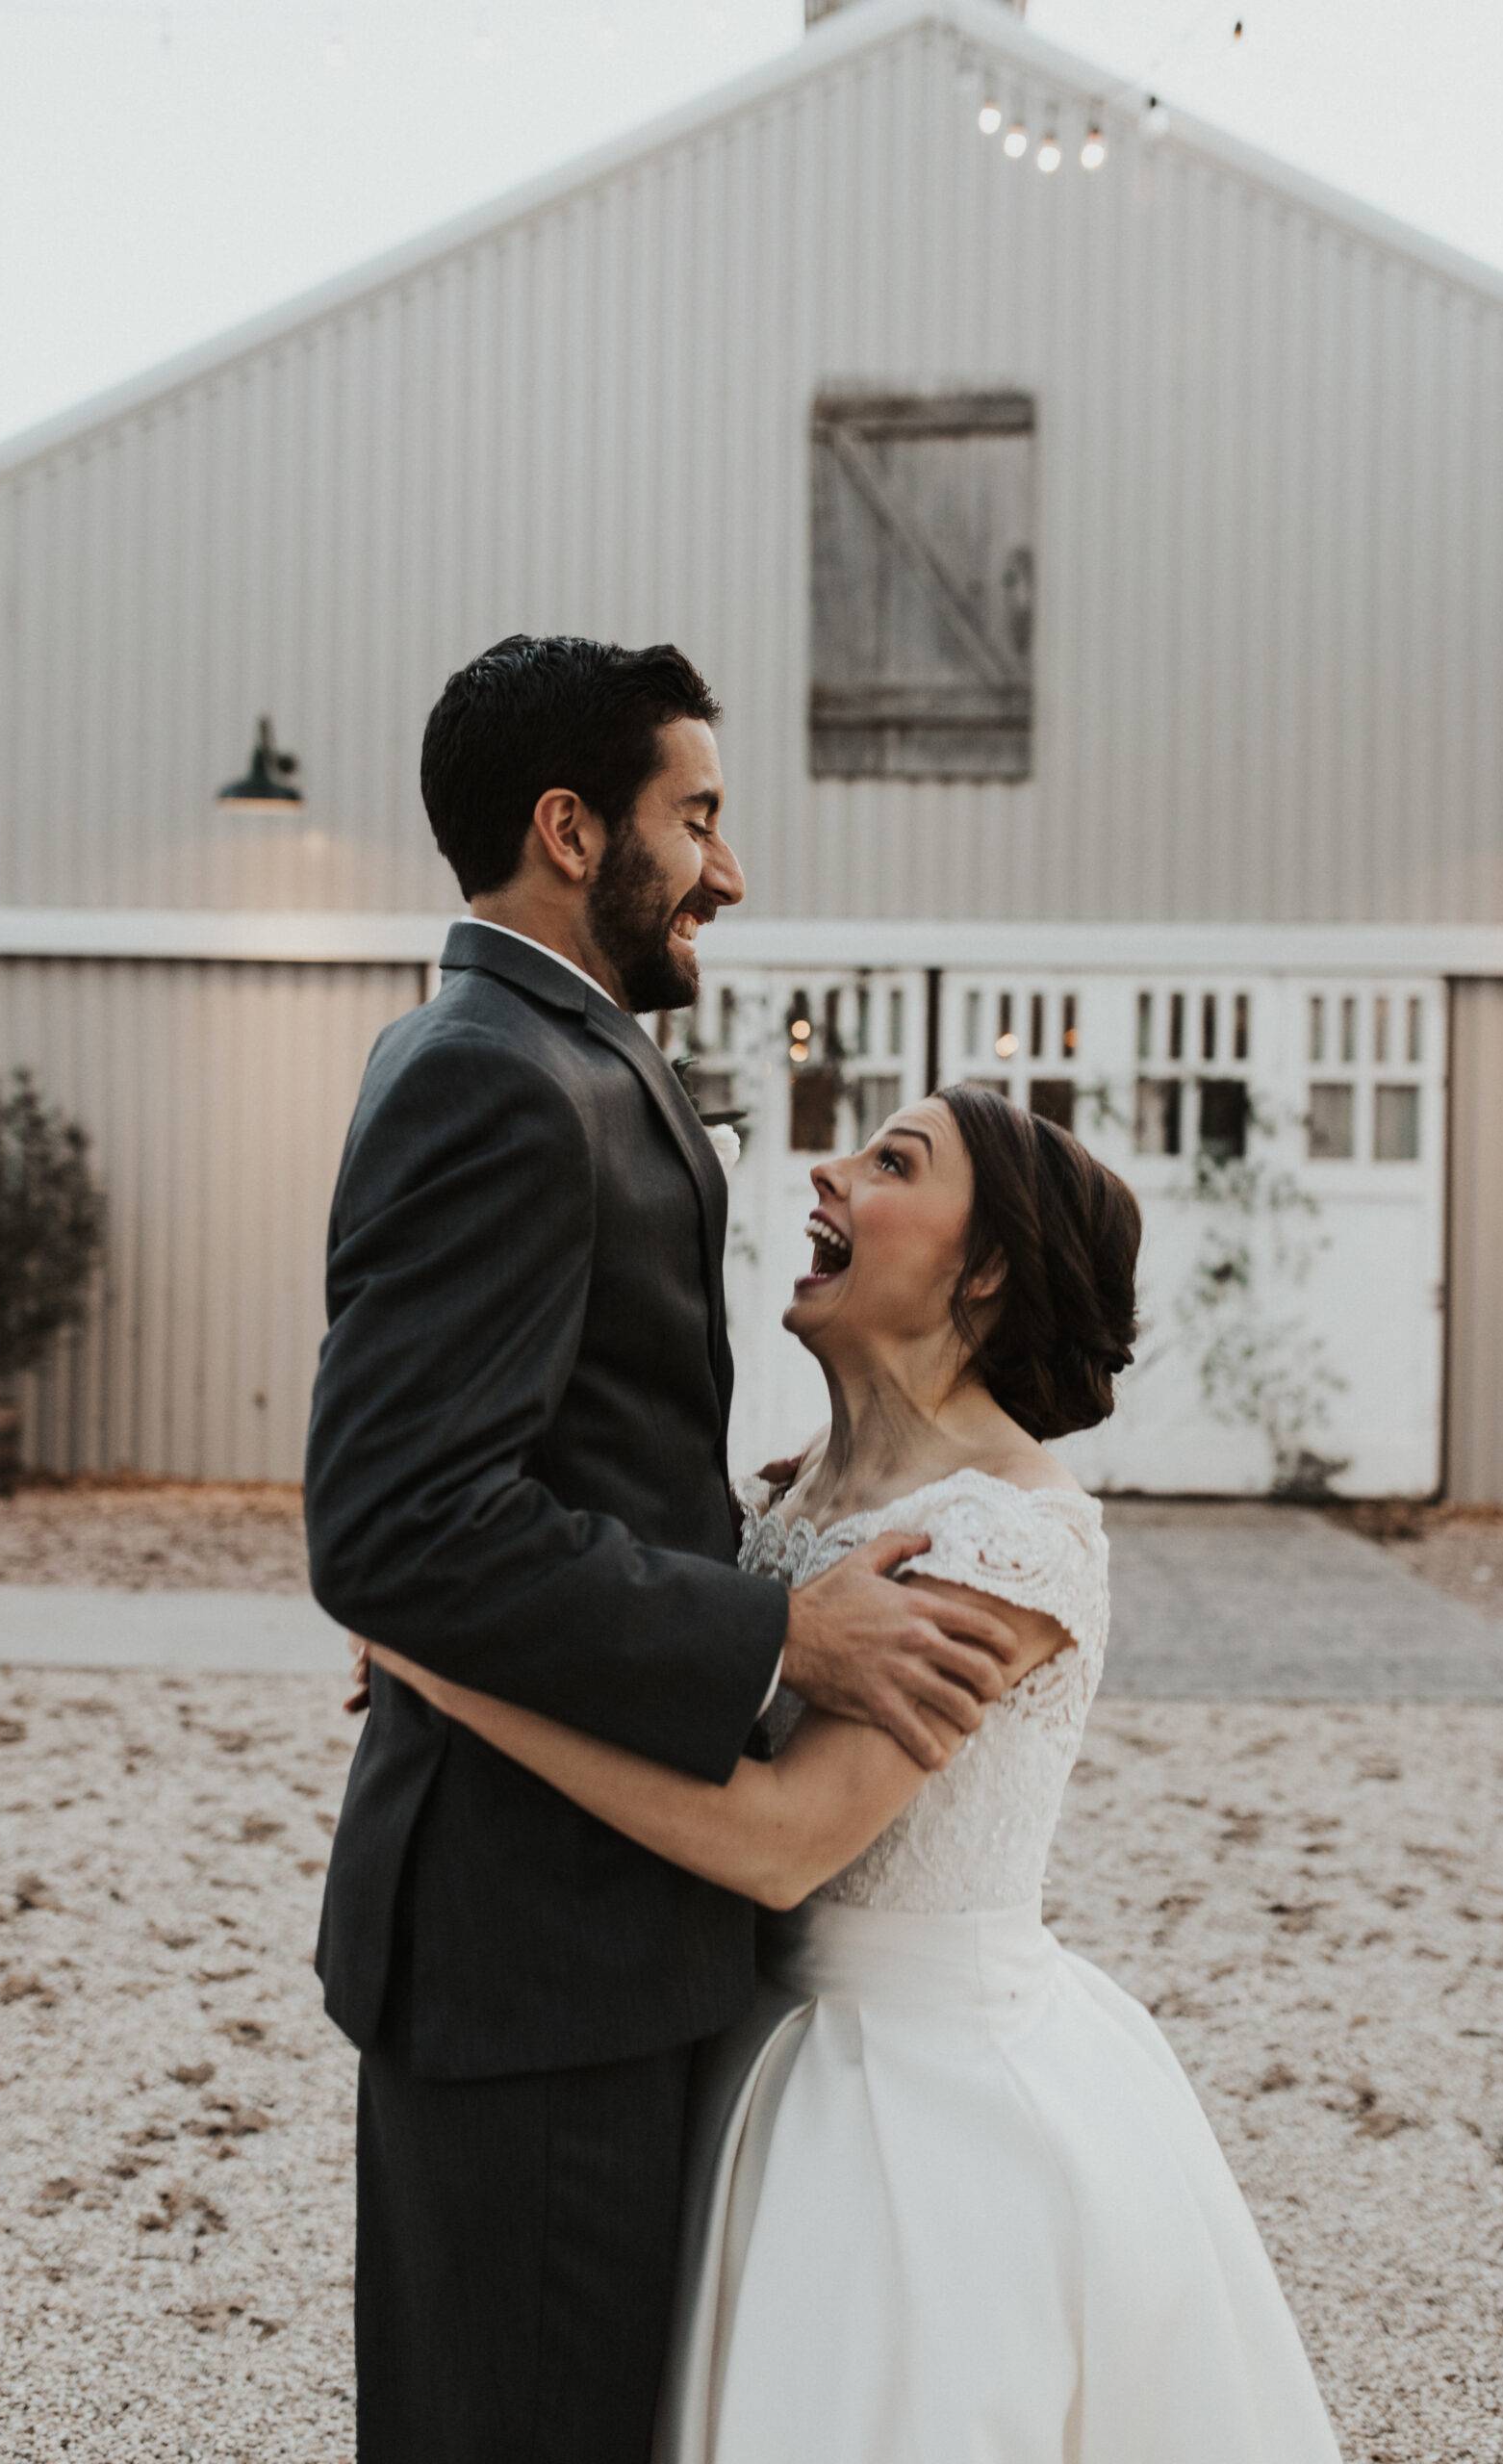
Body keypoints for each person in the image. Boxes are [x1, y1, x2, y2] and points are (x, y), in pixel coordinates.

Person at [369, 1083, 1346, 2464]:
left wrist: (448, 1669)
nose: (826, 1170)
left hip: (914, 2104)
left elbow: (782, 1842)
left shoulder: (1007, 1541)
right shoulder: (786, 1497)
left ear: (988, 1266)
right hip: (735, 2043)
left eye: (893, 1161)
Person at [304, 634, 1026, 2463]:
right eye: (695, 818)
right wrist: (775, 1639)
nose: (727, 866)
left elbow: (524, 1475)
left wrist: (748, 1540)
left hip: (596, 1928)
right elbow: (395, 1517)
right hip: (536, 1953)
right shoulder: (495, 1075)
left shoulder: (553, 1054)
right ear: (568, 829)